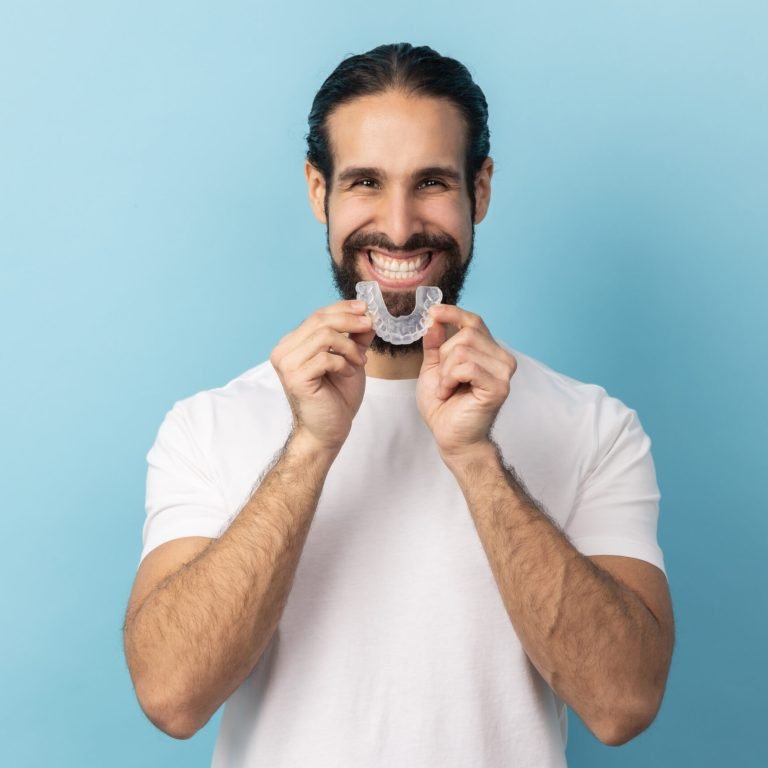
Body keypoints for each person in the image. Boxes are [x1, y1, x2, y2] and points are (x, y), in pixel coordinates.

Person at [123, 43, 674, 767]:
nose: (401, 225)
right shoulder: (208, 426)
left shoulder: (596, 427)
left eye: (432, 183)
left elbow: (622, 704)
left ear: (480, 190)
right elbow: (171, 697)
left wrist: (475, 458)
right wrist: (309, 449)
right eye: (365, 183)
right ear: (319, 192)